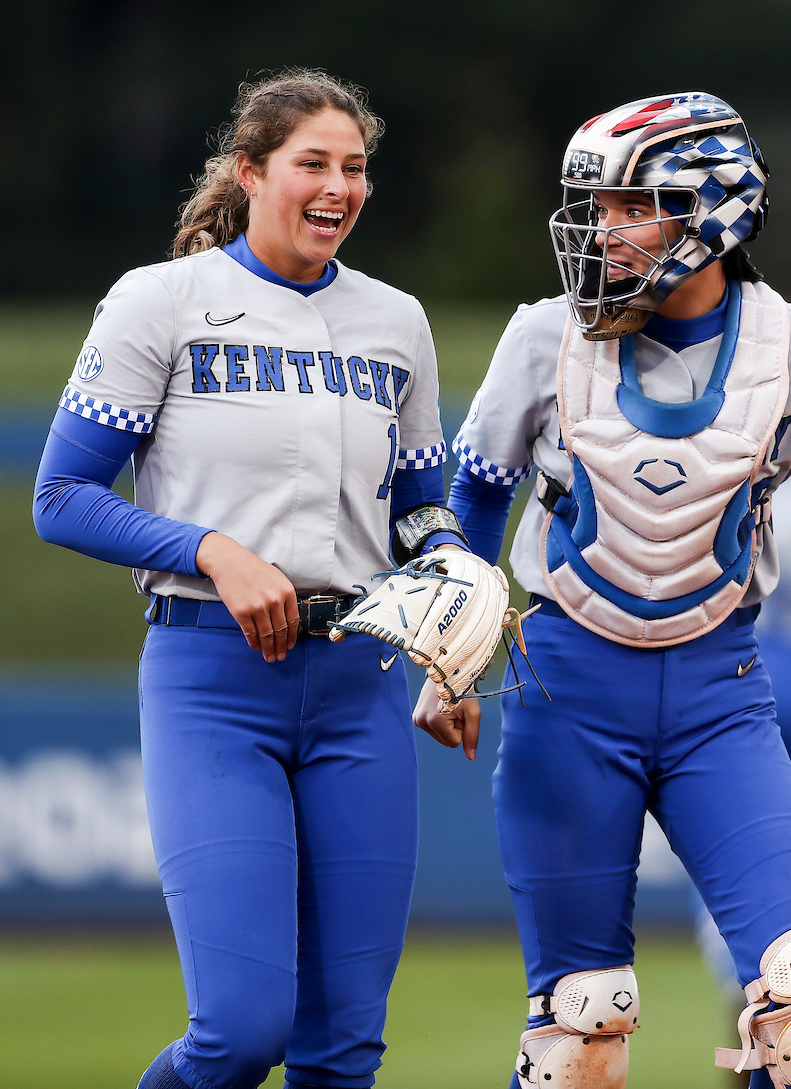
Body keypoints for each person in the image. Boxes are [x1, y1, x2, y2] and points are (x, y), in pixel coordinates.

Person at [415, 92, 791, 1089]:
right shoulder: (541, 337)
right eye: (595, 208)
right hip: (565, 692)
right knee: (578, 1036)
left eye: (629, 205)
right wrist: (445, 651)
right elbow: (467, 506)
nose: (602, 230)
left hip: (722, 693)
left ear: (711, 211)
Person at [34, 70, 470, 1089]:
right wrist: (212, 551)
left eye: (355, 168)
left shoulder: (396, 322)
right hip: (214, 677)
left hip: (361, 682)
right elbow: (62, 498)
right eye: (311, 163)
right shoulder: (162, 300)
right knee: (239, 1031)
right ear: (250, 171)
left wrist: (456, 624)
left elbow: (422, 510)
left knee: (343, 1049)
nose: (338, 186)